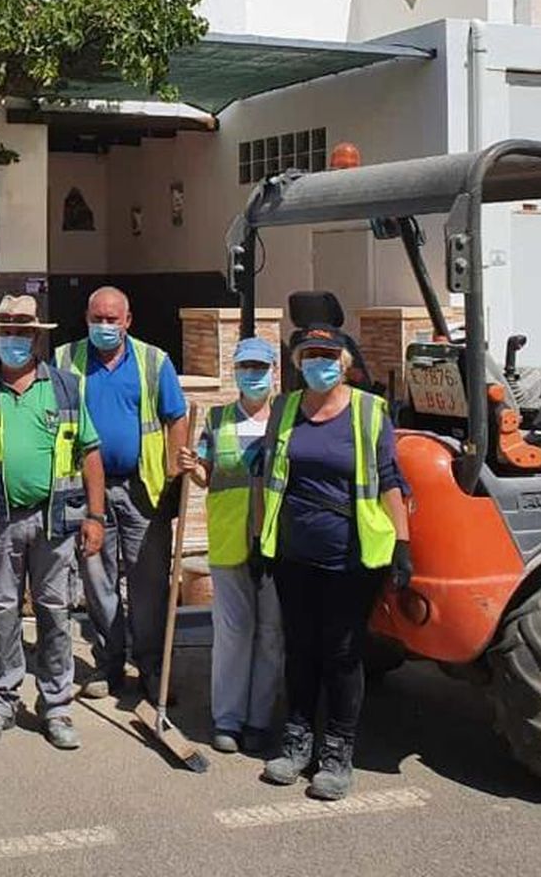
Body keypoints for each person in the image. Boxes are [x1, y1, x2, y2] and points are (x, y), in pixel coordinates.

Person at [256, 327, 413, 800]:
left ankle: (338, 751)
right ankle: (297, 739)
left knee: (342, 654)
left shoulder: (368, 410)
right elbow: (268, 475)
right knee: (300, 648)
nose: (318, 362)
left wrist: (401, 543)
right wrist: (261, 541)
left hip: (349, 556)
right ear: (297, 362)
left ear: (344, 363)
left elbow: (389, 478)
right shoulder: (284, 408)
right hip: (293, 553)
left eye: (327, 355)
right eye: (309, 355)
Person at [0, 295, 105, 750]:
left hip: (54, 519)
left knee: (55, 611)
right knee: (0, 611)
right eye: (7, 330)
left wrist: (96, 516)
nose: (14, 338)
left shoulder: (64, 386)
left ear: (36, 337)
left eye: (22, 330)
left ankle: (56, 705)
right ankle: (1, 700)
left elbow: (89, 452)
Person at [54, 286, 189, 702]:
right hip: (85, 491)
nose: (104, 326)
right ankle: (109, 663)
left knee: (148, 584)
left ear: (127, 321)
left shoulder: (153, 361)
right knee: (97, 581)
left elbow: (176, 417)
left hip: (141, 489)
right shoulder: (64, 360)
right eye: (97, 319)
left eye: (112, 320)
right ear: (86, 319)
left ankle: (151, 667)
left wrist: (172, 473)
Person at [182, 337, 283, 756]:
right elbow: (207, 475)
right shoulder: (219, 418)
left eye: (260, 367)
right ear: (235, 371)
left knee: (271, 633)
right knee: (232, 632)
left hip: (275, 541)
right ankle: (228, 718)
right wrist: (193, 467)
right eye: (246, 367)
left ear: (273, 370)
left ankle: (259, 719)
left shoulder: (287, 419)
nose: (252, 375)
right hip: (229, 540)